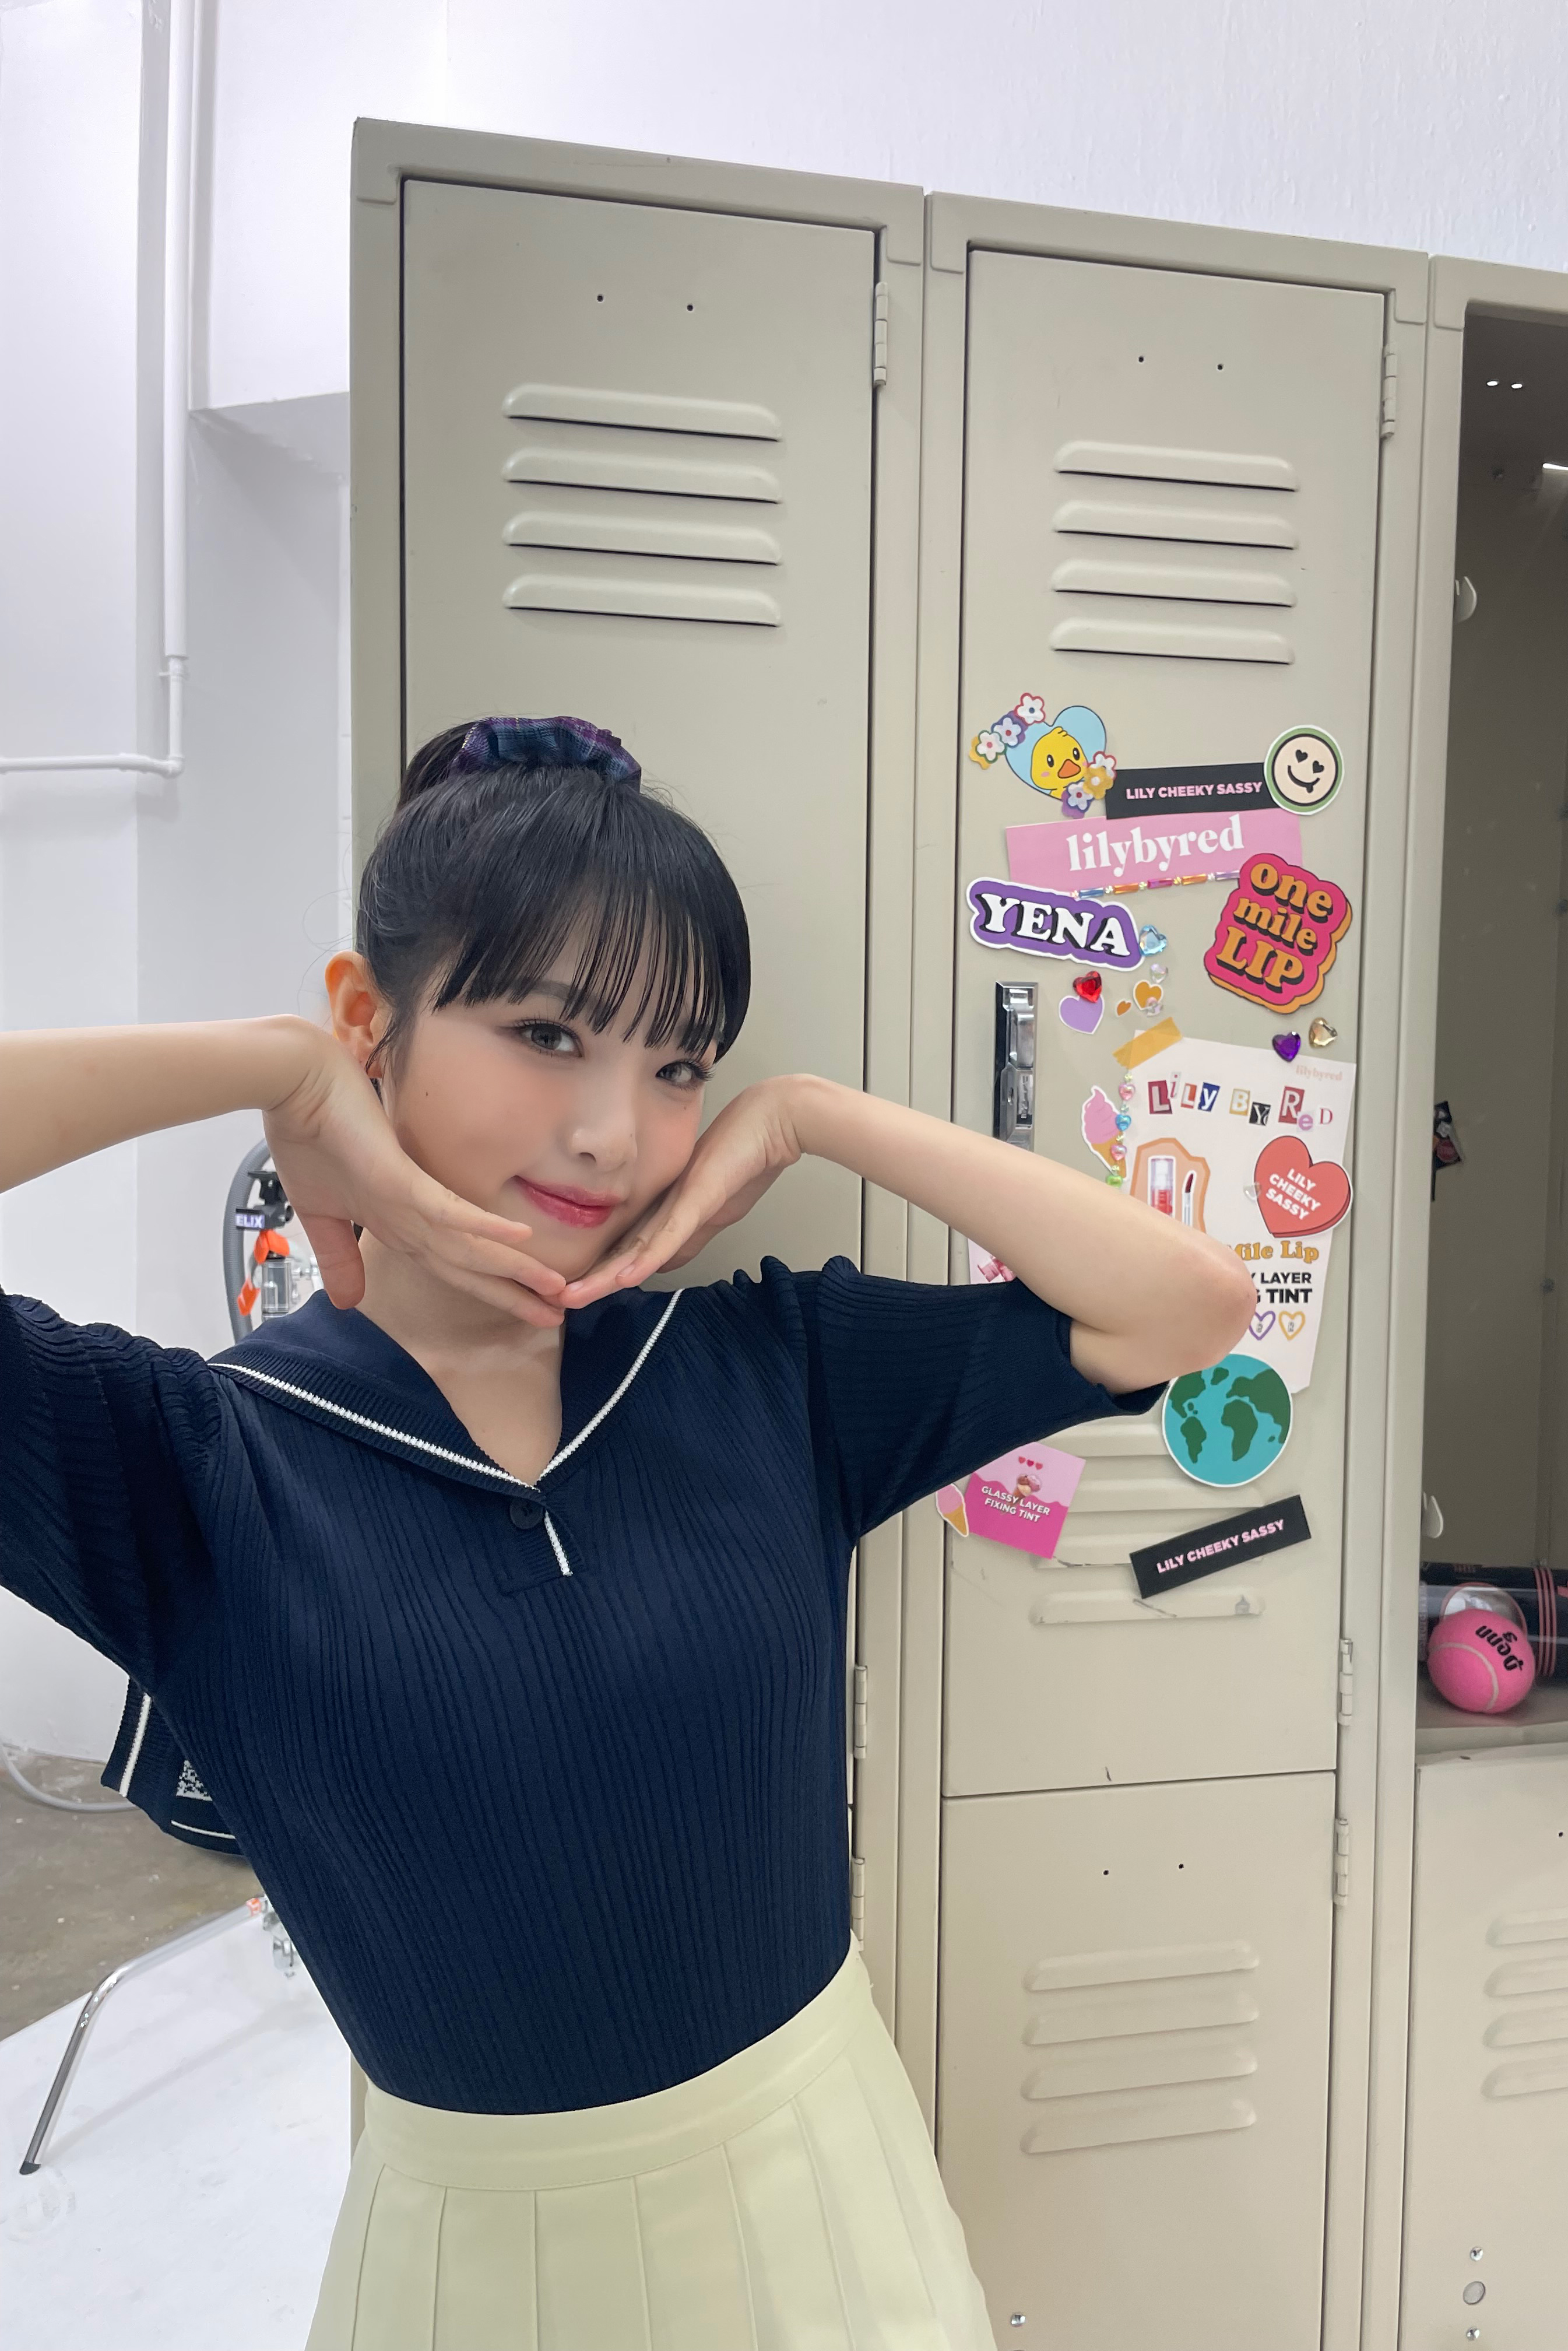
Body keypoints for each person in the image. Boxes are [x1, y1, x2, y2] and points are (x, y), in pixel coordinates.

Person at [0, 714, 1254, 2350]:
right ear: (374, 1018)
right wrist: (270, 1070)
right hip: (475, 2272)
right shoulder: (192, 1461)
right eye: (545, 1033)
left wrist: (809, 1115)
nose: (615, 1134)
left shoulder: (770, 1367)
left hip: (833, 2216)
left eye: (678, 1066)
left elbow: (1188, 1304)